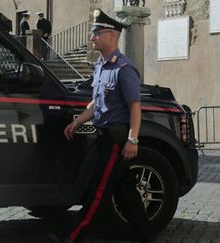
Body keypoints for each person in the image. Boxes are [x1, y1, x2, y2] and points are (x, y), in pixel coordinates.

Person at [50, 9, 152, 243]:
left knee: (97, 192)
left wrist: (132, 140)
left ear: (112, 36)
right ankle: (145, 235)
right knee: (125, 192)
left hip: (116, 141)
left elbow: (135, 108)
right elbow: (98, 102)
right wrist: (77, 121)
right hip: (104, 137)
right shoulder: (101, 66)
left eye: (97, 33)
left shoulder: (123, 69)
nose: (92, 37)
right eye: (93, 32)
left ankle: (74, 237)